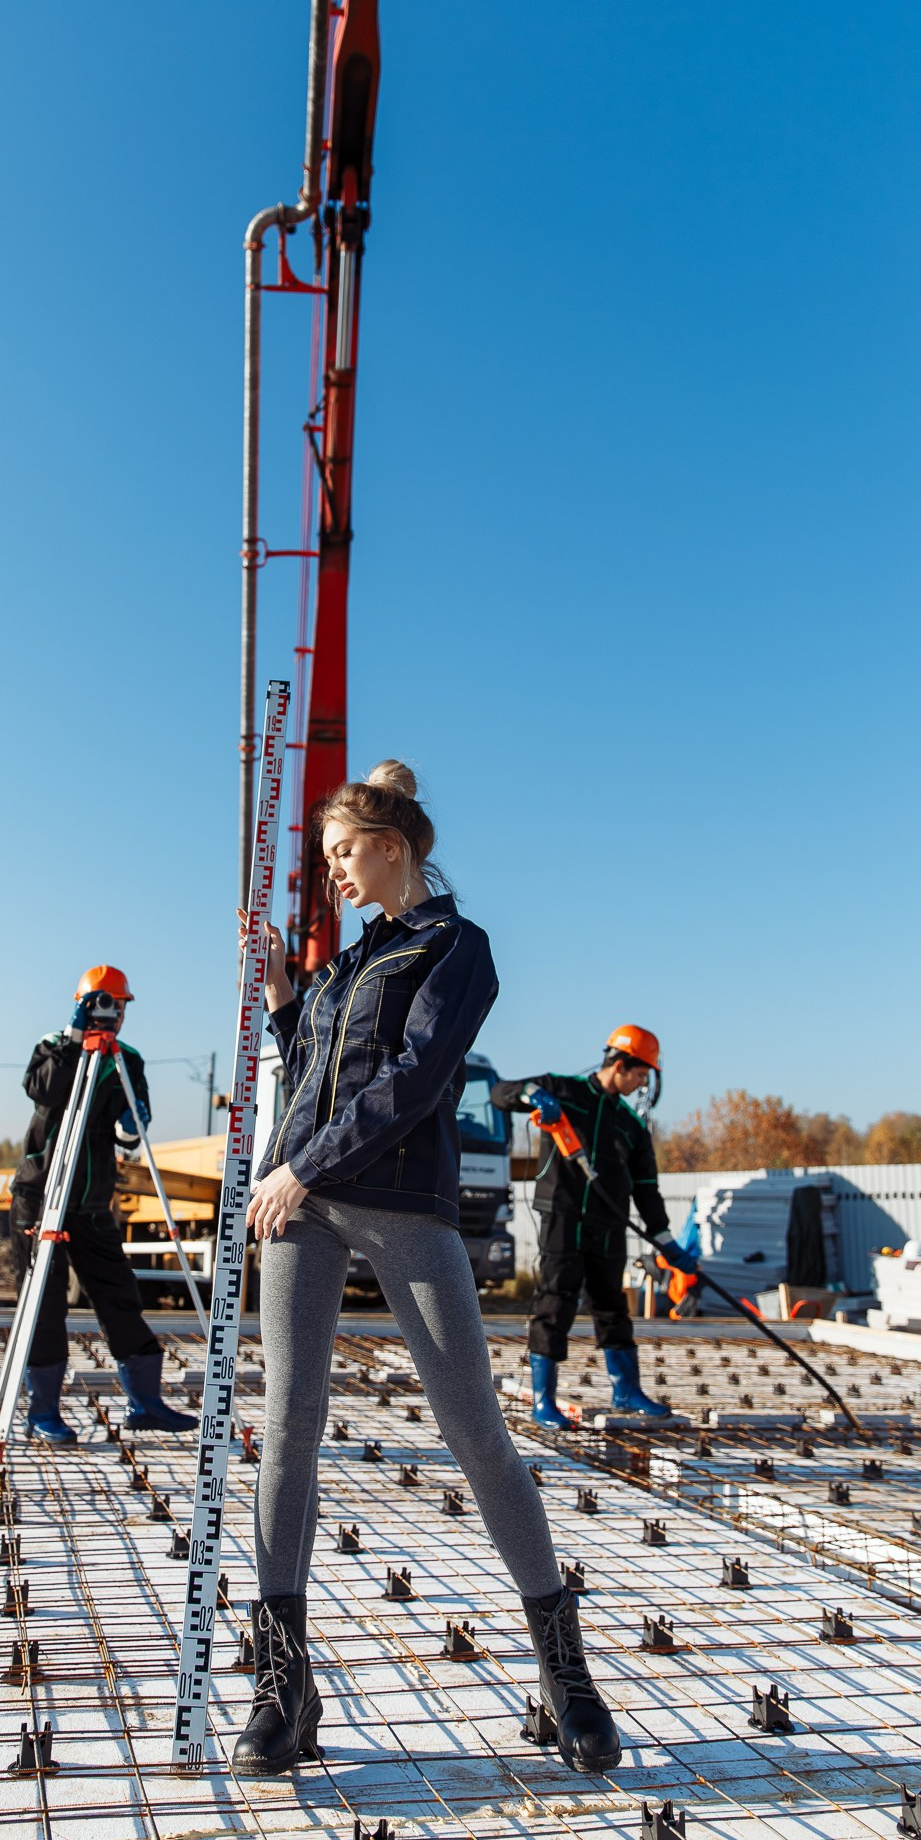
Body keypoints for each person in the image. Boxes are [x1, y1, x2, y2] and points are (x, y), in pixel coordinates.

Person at [233, 763, 621, 1781]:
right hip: (301, 1212)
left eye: (343, 854)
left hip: (400, 1206)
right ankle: (284, 1682)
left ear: (394, 845)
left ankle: (562, 1670)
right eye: (323, 864)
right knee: (285, 1432)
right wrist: (283, 998)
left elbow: (410, 1080)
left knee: (475, 1433)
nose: (333, 879)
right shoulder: (341, 965)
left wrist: (296, 1168)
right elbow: (317, 1078)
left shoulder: (457, 948)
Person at [8, 964, 198, 1444]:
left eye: (119, 1005)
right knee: (45, 1305)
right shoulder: (54, 1045)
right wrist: (75, 1038)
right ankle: (43, 1411)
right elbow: (42, 1090)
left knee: (119, 1295)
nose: (112, 1014)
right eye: (102, 1002)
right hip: (42, 1197)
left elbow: (127, 1131)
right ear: (82, 1002)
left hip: (92, 1201)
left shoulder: (126, 1059)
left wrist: (135, 1125)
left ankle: (146, 1403)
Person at [492, 1029, 695, 1427]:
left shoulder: (630, 1126)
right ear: (620, 1066)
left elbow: (648, 1190)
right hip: (563, 1220)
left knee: (612, 1307)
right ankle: (543, 1400)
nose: (641, 1084)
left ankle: (627, 1392)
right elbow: (500, 1092)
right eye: (640, 1075)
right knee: (555, 1302)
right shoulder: (563, 1091)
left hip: (608, 1225)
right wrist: (533, 1095)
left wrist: (666, 1240)